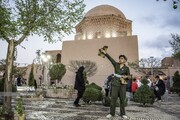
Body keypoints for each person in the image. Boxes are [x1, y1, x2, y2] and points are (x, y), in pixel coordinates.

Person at [100, 49, 130, 119]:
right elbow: (111, 59)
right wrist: (105, 53)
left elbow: (128, 76)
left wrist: (125, 76)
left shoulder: (127, 68)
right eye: (120, 58)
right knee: (113, 99)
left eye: (122, 58)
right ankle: (111, 113)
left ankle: (123, 114)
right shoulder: (116, 65)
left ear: (125, 60)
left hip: (122, 85)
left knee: (122, 99)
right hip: (115, 84)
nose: (120, 59)